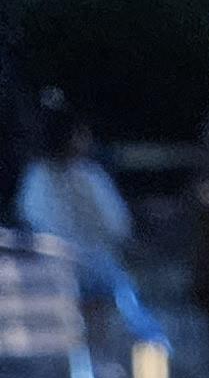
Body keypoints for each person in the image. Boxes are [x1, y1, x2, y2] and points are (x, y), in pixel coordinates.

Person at [14, 96, 134, 277]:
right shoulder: (39, 176)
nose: (87, 139)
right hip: (56, 268)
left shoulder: (90, 174)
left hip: (99, 263)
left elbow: (117, 224)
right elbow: (36, 223)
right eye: (81, 133)